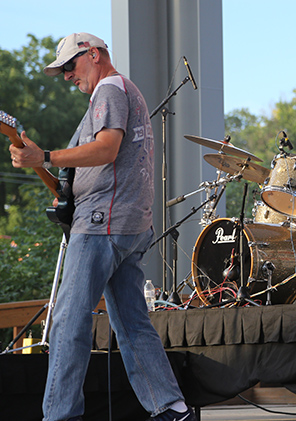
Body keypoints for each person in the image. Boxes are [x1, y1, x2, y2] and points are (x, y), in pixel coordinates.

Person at [9, 33, 195, 421]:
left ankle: (59, 416)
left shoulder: (109, 89)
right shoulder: (123, 91)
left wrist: (42, 154)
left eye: (70, 67)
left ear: (93, 55)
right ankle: (171, 408)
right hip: (128, 225)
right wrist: (54, 174)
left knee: (67, 322)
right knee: (131, 323)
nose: (66, 76)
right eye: (62, 71)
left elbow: (107, 148)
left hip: (102, 224)